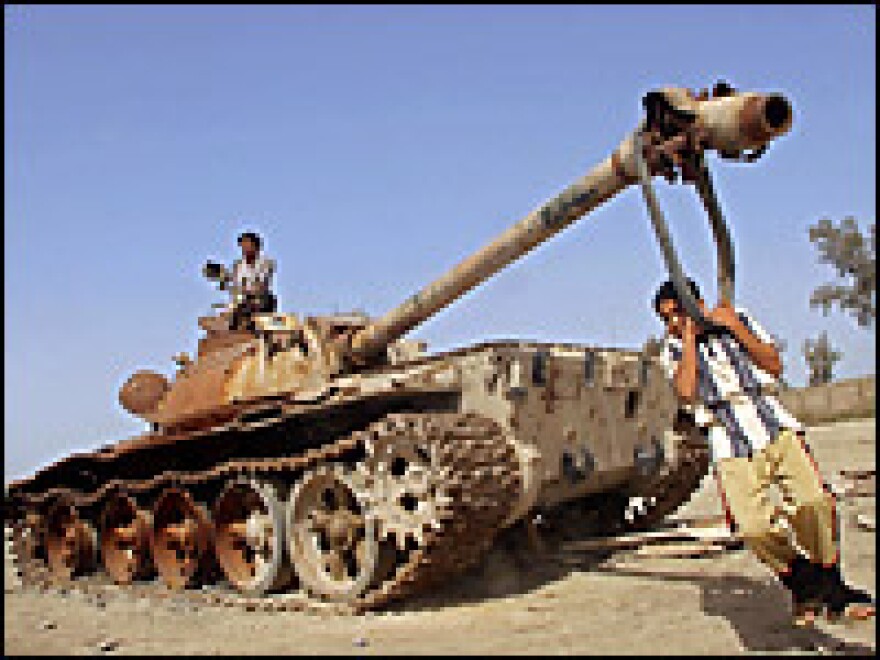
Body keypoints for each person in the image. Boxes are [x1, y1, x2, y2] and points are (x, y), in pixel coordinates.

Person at [653, 278, 875, 627]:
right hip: (727, 438)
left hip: (771, 423)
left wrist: (735, 327)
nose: (673, 323)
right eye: (666, 318)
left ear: (697, 304)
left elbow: (773, 364)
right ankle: (804, 582)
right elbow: (685, 391)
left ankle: (832, 590)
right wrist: (690, 338)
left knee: (814, 503)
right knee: (752, 526)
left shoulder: (737, 319)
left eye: (678, 312)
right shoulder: (672, 350)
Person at [227, 231, 277, 331]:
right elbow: (237, 287)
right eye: (242, 246)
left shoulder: (266, 263)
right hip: (244, 301)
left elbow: (262, 286)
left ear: (256, 247)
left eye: (247, 245)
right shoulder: (238, 266)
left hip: (262, 300)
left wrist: (247, 290)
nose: (244, 248)